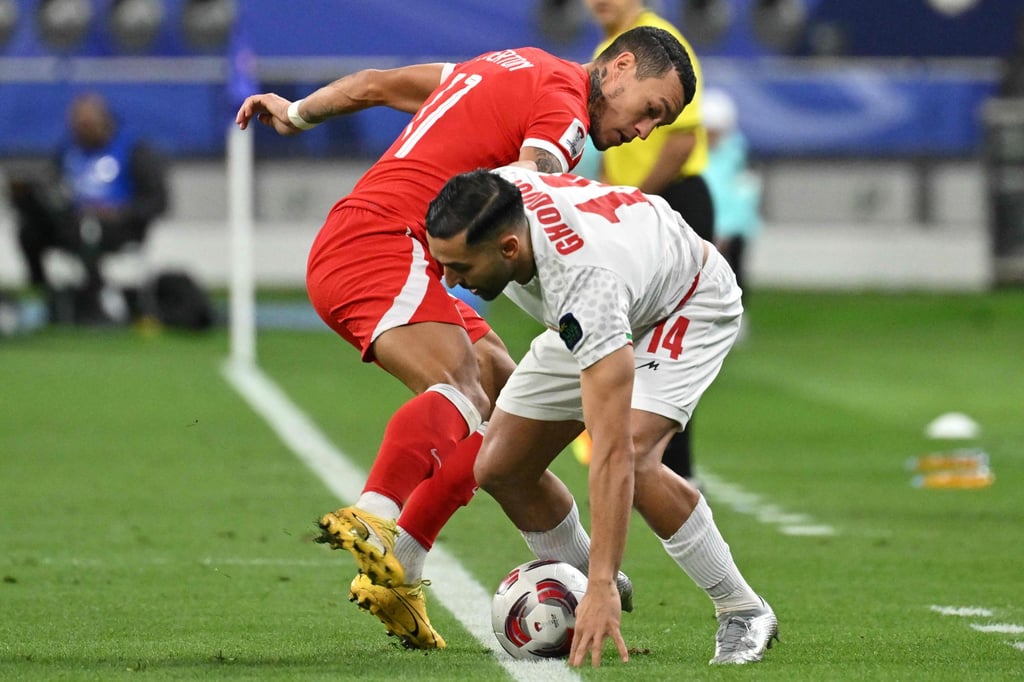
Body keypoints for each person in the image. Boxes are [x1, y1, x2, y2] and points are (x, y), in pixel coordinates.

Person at [235, 26, 696, 650]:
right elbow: (532, 178)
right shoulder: (565, 111)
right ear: (617, 68)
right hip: (382, 242)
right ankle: (377, 513)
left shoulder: (512, 65)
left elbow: (379, 85)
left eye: (658, 126)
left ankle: (408, 565)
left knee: (507, 395)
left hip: (404, 251)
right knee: (462, 385)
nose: (643, 131)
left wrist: (295, 112)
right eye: (649, 110)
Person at [425, 165, 778, 668]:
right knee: (500, 467)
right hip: (605, 306)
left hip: (682, 304)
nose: (450, 279)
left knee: (635, 453)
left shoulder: (584, 283)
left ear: (508, 248)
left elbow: (610, 450)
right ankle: (583, 570)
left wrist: (602, 586)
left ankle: (743, 609)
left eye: (460, 266)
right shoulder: (495, 195)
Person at [580, 0, 713, 483]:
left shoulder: (660, 47)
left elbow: (681, 141)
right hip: (636, 205)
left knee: (672, 342)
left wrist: (635, 200)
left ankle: (674, 470)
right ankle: (640, 462)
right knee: (627, 334)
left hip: (673, 200)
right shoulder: (609, 49)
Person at [8, 92, 168, 324]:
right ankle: (45, 295)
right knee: (29, 230)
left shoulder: (133, 149)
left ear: (103, 121)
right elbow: (54, 186)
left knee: (88, 230)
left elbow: (157, 201)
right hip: (71, 222)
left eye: (87, 125)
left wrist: (120, 212)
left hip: (118, 227)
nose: (81, 131)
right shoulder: (69, 151)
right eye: (77, 126)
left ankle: (93, 301)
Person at [703, 87, 761, 316]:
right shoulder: (693, 152)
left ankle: (737, 316)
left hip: (733, 231)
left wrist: (726, 230)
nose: (711, 138)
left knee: (735, 273)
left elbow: (744, 196)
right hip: (702, 226)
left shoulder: (738, 154)